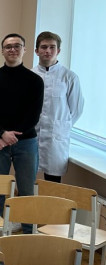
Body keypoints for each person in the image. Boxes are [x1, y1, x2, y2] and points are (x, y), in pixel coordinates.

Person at [0, 33, 44, 234]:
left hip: (26, 143)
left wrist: (9, 138)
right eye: (8, 46)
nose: (12, 49)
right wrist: (2, 133)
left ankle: (28, 231)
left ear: (24, 50)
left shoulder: (35, 81)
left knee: (26, 190)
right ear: (2, 51)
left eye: (17, 46)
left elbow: (33, 115)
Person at [32, 31, 84, 182]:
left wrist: (62, 127)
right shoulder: (30, 75)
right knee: (28, 177)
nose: (48, 51)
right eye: (44, 47)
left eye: (52, 47)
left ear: (58, 51)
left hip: (56, 138)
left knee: (53, 181)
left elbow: (76, 109)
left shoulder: (69, 77)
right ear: (37, 51)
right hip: (32, 135)